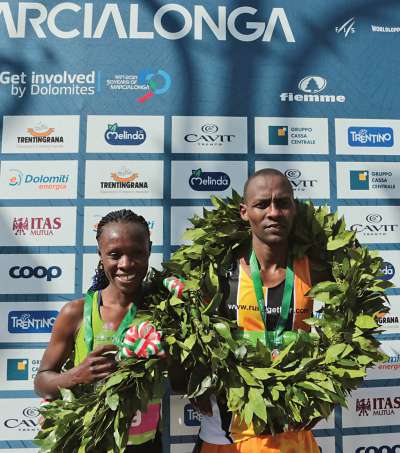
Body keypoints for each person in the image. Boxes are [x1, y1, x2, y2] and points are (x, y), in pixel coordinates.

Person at [192, 168, 324, 453]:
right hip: (229, 439)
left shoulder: (316, 270)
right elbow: (191, 343)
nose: (273, 213)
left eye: (283, 203)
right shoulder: (217, 276)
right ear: (244, 211)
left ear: (294, 209)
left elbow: (353, 334)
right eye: (262, 204)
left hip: (293, 436)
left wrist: (325, 395)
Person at [34, 209, 163, 453]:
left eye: (137, 253)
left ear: (149, 250)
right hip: (87, 443)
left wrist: (171, 358)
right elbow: (42, 381)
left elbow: (180, 384)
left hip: (144, 445)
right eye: (115, 255)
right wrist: (73, 376)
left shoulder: (165, 311)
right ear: (100, 255)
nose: (126, 264)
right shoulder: (76, 312)